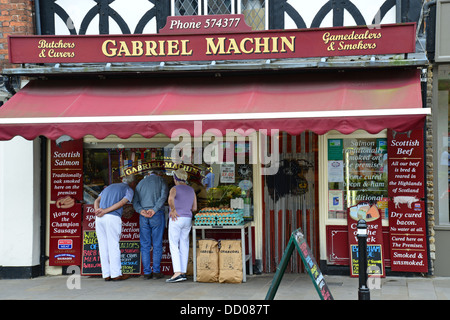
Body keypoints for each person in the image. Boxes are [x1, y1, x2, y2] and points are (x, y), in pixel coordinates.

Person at [94, 175, 137, 281]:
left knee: (103, 246)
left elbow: (96, 201)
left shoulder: (109, 187)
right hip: (112, 217)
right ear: (132, 183)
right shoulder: (129, 189)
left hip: (99, 218)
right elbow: (122, 202)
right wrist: (105, 211)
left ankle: (106, 274)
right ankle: (116, 274)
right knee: (113, 245)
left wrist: (97, 210)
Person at [133, 170, 169, 279]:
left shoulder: (140, 183)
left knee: (145, 244)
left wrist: (141, 210)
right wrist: (154, 209)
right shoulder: (161, 181)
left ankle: (147, 272)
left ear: (149, 174)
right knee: (157, 243)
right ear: (158, 173)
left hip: (143, 215)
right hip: (156, 214)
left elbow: (135, 201)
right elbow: (163, 196)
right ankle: (157, 271)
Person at [166, 168, 197, 283]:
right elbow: (194, 208)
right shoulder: (191, 190)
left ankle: (177, 272)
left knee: (174, 244)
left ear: (176, 178)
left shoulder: (174, 188)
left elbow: (170, 199)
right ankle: (183, 272)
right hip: (187, 218)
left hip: (176, 218)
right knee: (184, 243)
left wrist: (173, 209)